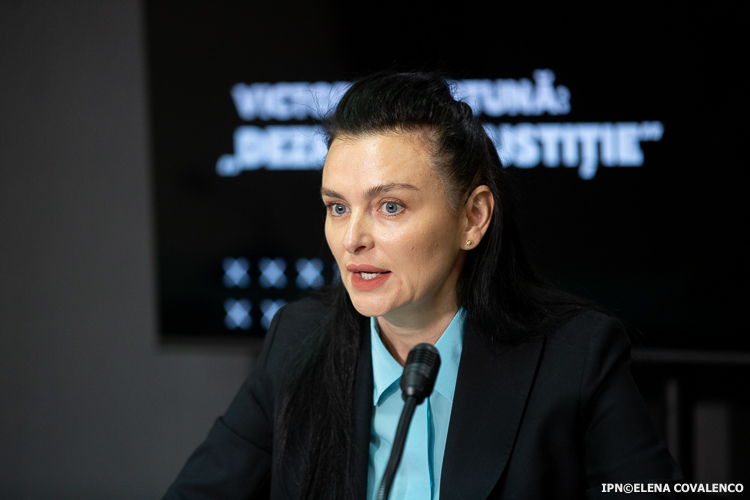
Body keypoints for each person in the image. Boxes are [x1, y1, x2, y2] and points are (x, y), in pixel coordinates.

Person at [164, 72, 682, 499]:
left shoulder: (575, 357)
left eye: (390, 206)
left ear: (473, 218)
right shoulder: (296, 340)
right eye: (337, 207)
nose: (352, 239)